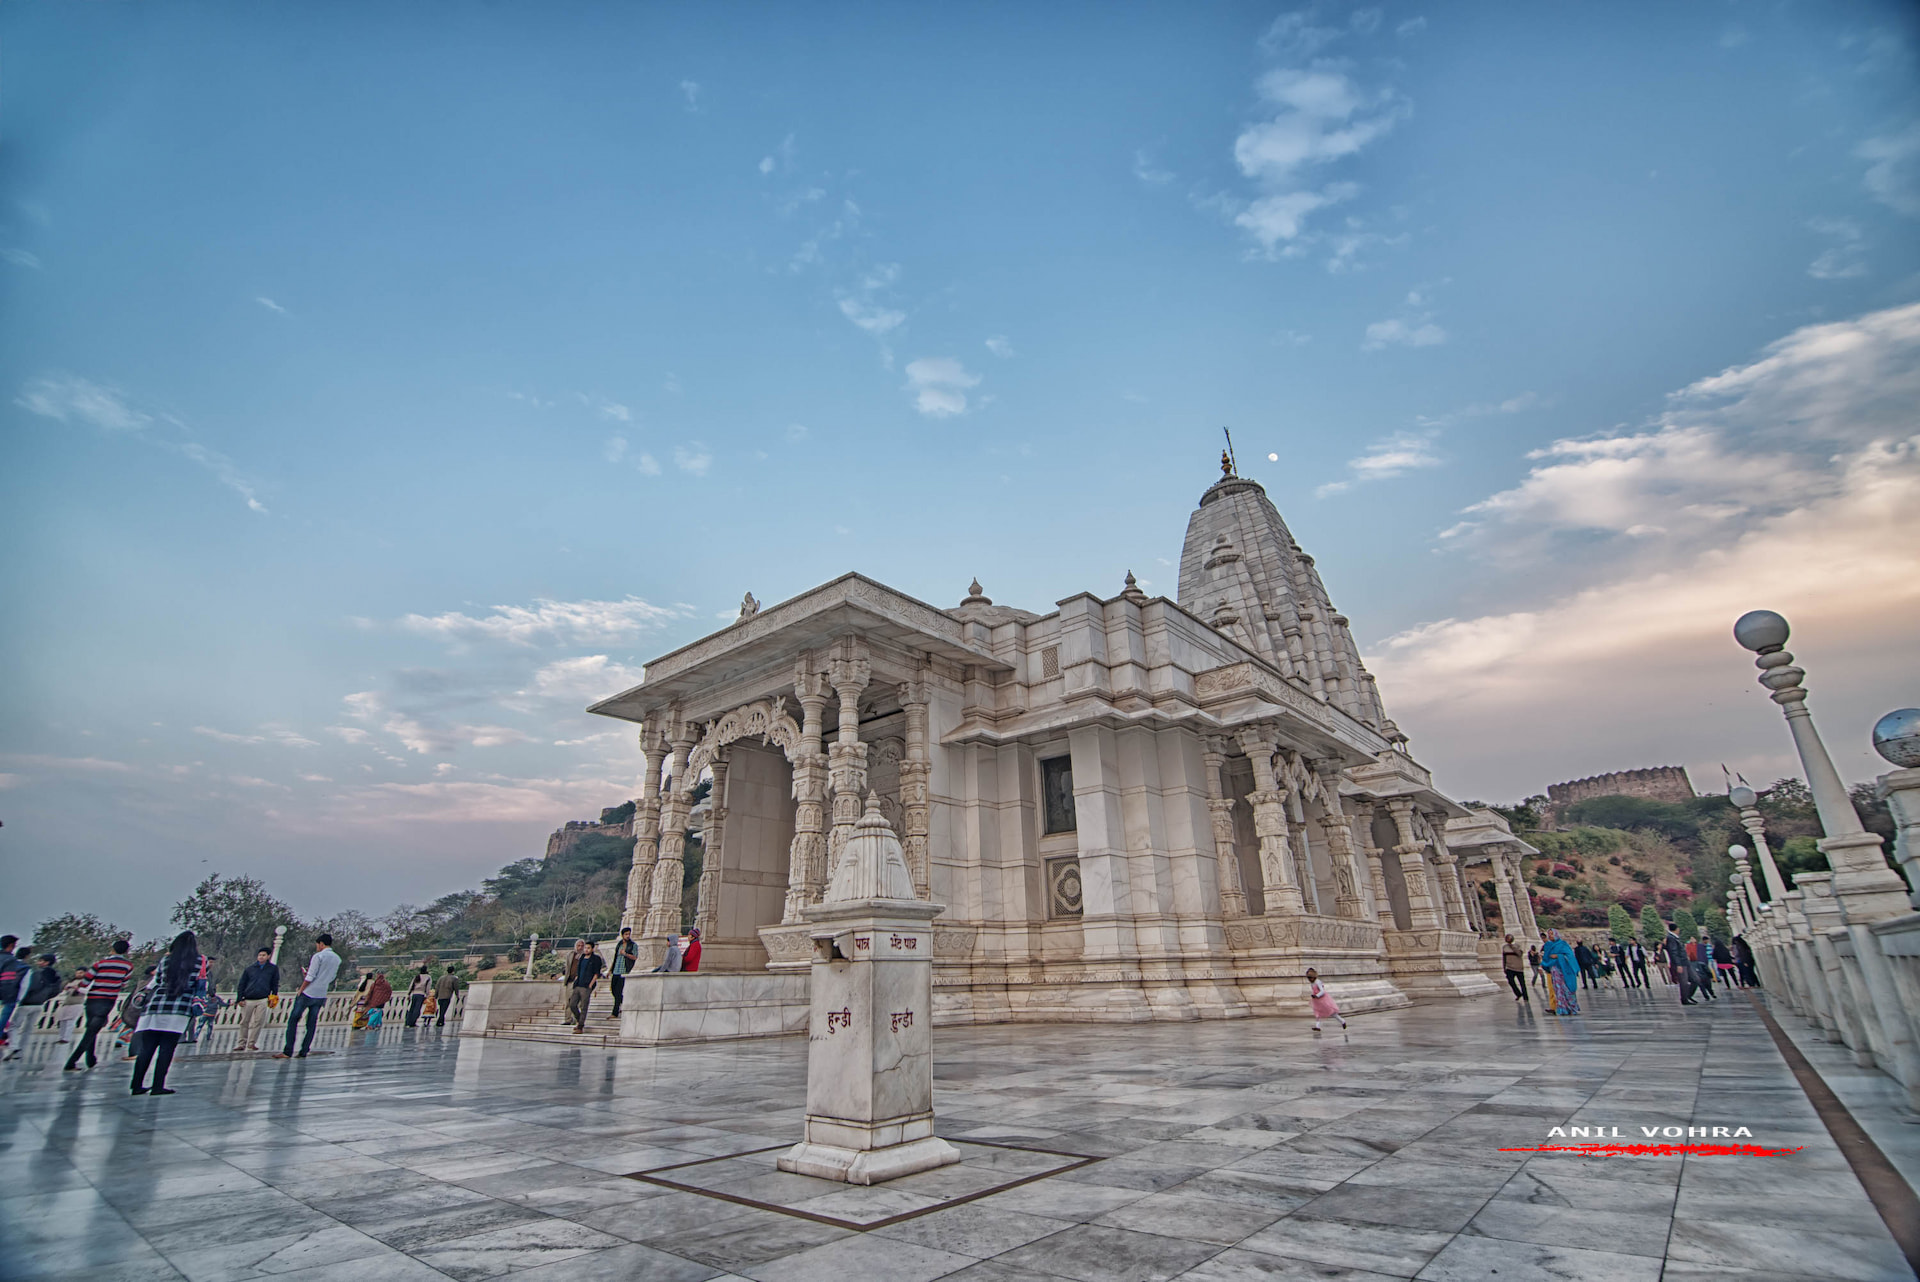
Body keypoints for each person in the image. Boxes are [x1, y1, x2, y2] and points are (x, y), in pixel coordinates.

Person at [132, 932, 202, 1095]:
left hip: (156, 1007)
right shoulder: (198, 962)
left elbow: (156, 981)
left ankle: (136, 1085)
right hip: (179, 1008)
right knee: (166, 1050)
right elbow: (199, 984)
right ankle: (158, 1086)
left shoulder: (166, 960)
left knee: (146, 1049)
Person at [275, 933, 340, 1059]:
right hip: (321, 994)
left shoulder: (318, 956)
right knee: (311, 1024)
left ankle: (288, 1051)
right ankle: (304, 1050)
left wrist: (301, 989)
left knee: (293, 1020)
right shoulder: (337, 958)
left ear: (321, 944)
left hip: (308, 993)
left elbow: (310, 976)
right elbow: (332, 977)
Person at [4, 954, 62, 1062]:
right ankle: (20, 1051)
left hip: (27, 1003)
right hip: (39, 1004)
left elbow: (29, 987)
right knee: (28, 1029)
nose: (38, 963)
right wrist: (44, 998)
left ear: (47, 962)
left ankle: (14, 1047)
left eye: (41, 961)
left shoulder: (37, 974)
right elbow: (56, 991)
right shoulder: (56, 976)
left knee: (14, 1026)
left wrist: (22, 997)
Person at [235, 947, 280, 1051]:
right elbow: (242, 984)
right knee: (244, 1022)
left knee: (258, 1021)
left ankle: (252, 1043)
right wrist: (239, 998)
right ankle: (241, 1043)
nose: (261, 957)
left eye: (264, 955)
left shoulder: (272, 969)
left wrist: (274, 996)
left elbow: (275, 983)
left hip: (263, 998)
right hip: (248, 998)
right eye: (260, 955)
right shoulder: (249, 969)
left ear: (268, 956)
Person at [0, 937, 32, 1052]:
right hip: (7, 995)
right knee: (4, 1018)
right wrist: (14, 998)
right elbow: (8, 980)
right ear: (12, 945)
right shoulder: (10, 960)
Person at [563, 940, 603, 1033]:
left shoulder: (596, 959)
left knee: (584, 1006)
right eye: (585, 948)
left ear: (592, 949)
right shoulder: (582, 958)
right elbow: (578, 970)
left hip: (587, 985)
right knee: (572, 1004)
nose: (586, 949)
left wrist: (591, 984)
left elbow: (596, 973)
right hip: (578, 984)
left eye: (588, 948)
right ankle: (579, 1020)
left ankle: (580, 1026)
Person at [1540, 929, 1581, 1016]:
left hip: (1564, 971)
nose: (1550, 936)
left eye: (1552, 934)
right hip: (1555, 971)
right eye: (1549, 934)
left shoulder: (1563, 944)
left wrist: (1558, 956)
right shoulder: (1548, 945)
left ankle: (1572, 1007)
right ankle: (1562, 1008)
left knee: (1568, 989)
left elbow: (1570, 956)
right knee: (1558, 990)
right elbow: (1546, 958)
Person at [1663, 924, 1697, 1005]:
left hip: (1685, 961)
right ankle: (1684, 999)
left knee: (1696, 979)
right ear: (1676, 929)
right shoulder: (1671, 938)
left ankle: (1688, 995)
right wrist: (1678, 964)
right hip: (1680, 963)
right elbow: (1673, 952)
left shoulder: (1675, 938)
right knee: (1684, 982)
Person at [609, 928, 639, 1017]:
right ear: (622, 935)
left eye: (629, 934)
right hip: (616, 970)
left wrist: (625, 954)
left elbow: (635, 957)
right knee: (613, 990)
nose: (628, 936)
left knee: (618, 991)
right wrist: (610, 969)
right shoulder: (619, 944)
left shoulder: (632, 945)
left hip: (624, 970)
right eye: (626, 934)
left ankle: (615, 1012)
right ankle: (623, 1002)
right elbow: (615, 957)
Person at [1305, 967, 1346, 1033]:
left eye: (1310, 978)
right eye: (1308, 978)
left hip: (1323, 999)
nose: (1309, 979)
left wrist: (1317, 995)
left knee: (1332, 1012)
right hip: (1317, 1001)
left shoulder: (1318, 982)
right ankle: (1318, 1026)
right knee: (1317, 1013)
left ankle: (1342, 1021)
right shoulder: (1312, 983)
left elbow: (1322, 991)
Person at [55, 976, 88, 1043]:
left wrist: (78, 988)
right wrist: (66, 989)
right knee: (62, 1021)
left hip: (76, 1004)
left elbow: (87, 991)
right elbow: (65, 992)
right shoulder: (72, 981)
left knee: (70, 1022)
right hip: (67, 1003)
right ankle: (61, 1037)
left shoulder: (86, 982)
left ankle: (66, 1038)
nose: (78, 974)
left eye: (80, 973)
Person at [1500, 934, 1529, 1003]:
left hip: (1518, 967)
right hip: (1509, 967)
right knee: (1511, 981)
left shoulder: (1518, 946)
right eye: (1506, 938)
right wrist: (1504, 967)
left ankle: (1525, 997)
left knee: (1522, 983)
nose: (1507, 939)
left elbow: (1519, 954)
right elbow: (1504, 958)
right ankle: (1518, 993)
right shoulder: (1504, 947)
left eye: (1509, 938)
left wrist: (1512, 947)